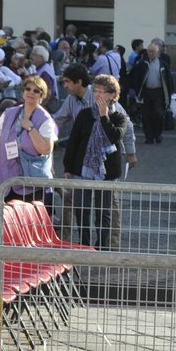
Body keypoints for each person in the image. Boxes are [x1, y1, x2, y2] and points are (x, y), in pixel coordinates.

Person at [61, 73, 127, 249]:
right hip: (82, 169)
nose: (97, 95)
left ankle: (102, 246)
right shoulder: (84, 115)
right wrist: (68, 166)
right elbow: (74, 142)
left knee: (103, 211)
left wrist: (104, 116)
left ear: (112, 95)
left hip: (107, 172)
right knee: (82, 209)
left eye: (102, 91)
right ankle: (84, 243)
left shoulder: (119, 117)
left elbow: (114, 136)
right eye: (95, 91)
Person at [0, 71, 58, 208]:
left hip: (32, 183)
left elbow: (46, 149)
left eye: (36, 90)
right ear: (23, 92)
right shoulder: (9, 113)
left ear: (42, 95)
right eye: (28, 89)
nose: (31, 92)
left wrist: (30, 128)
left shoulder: (45, 119)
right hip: (8, 178)